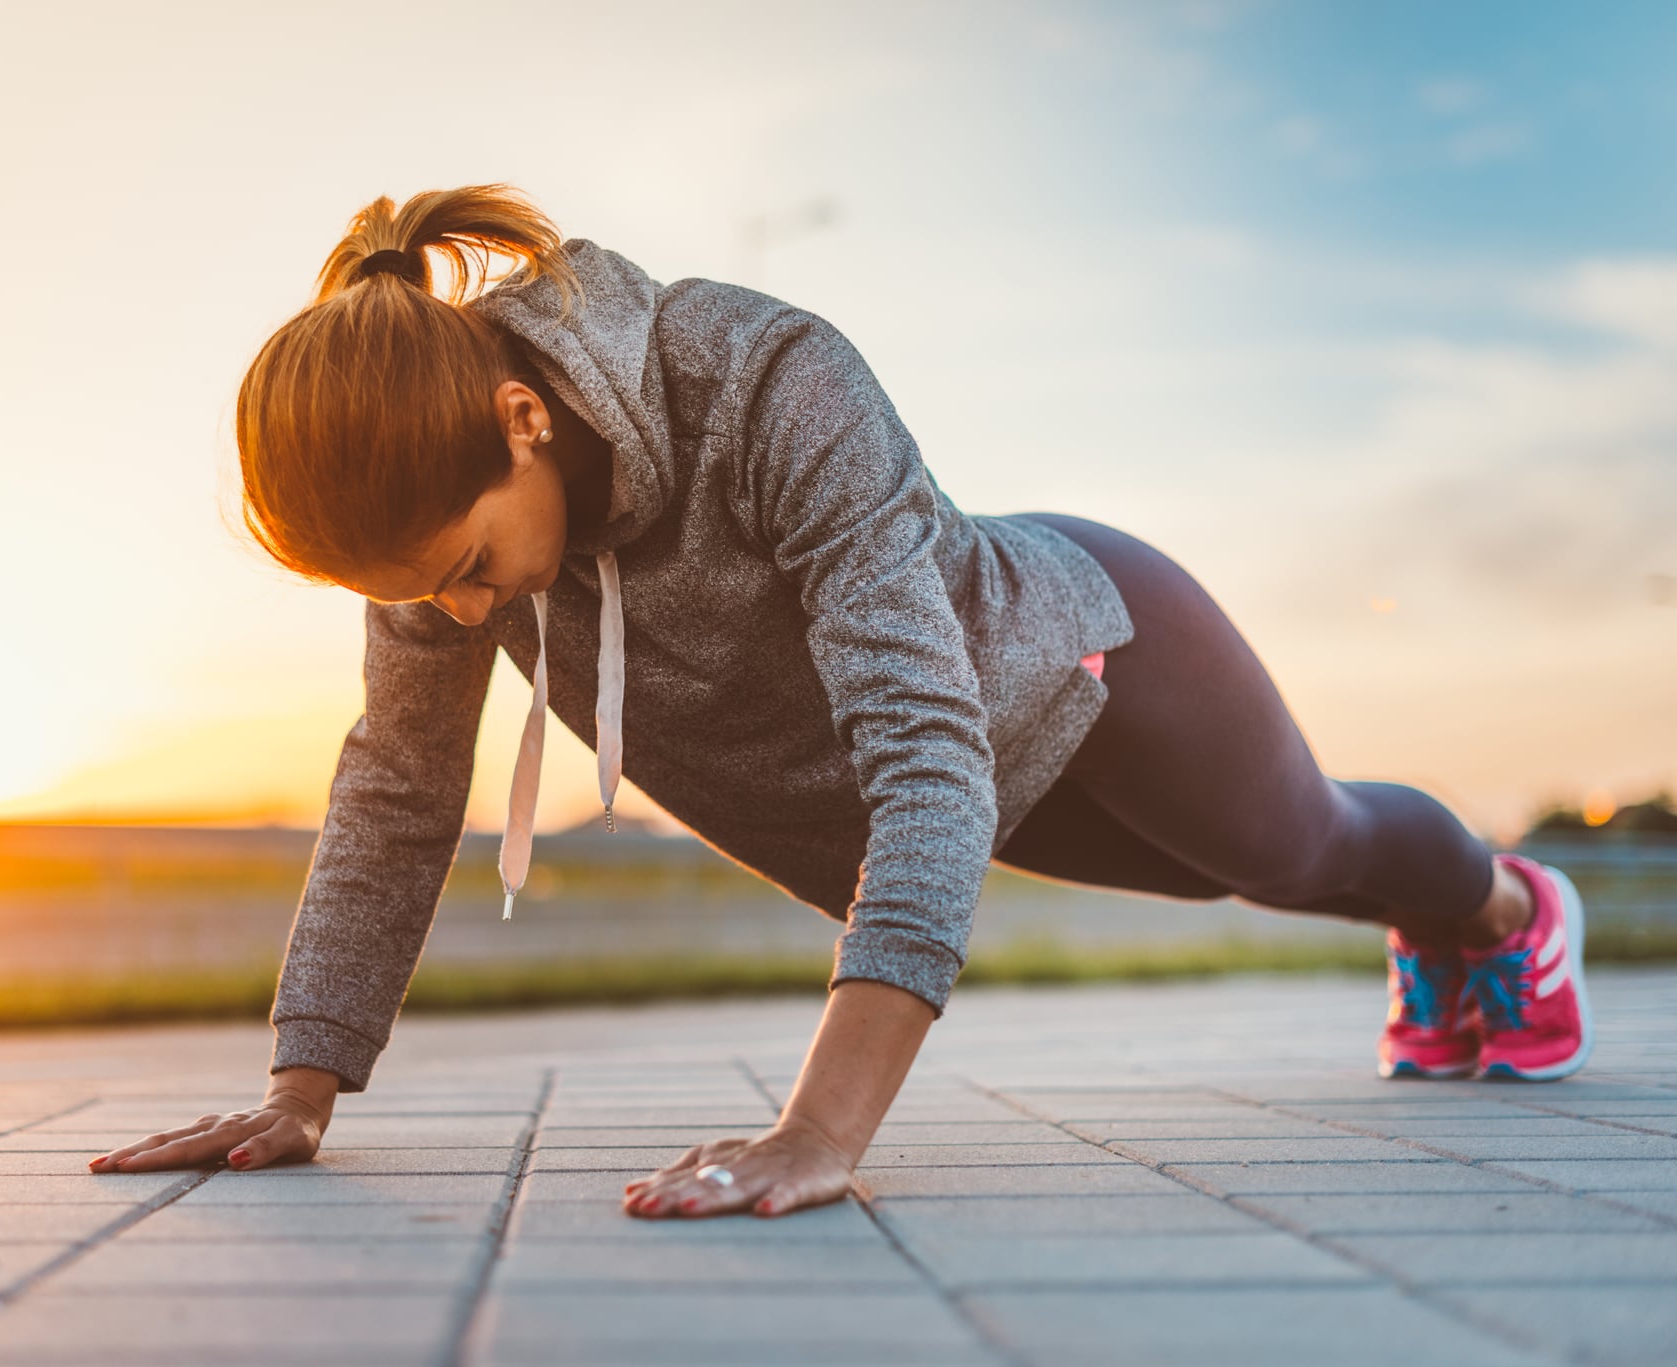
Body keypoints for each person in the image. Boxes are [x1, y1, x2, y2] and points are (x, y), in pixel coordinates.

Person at [89, 185, 1594, 1220]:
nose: (464, 617)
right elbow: (396, 795)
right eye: (433, 597)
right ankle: (1447, 933)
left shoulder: (761, 379)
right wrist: (301, 1090)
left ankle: (1505, 918)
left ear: (523, 417)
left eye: (472, 571)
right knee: (1216, 885)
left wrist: (821, 1132)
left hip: (1085, 658)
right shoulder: (433, 528)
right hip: (932, 769)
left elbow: (927, 750)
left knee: (1294, 849)